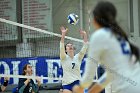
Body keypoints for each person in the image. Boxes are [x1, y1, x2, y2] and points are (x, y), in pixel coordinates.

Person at [74, 1, 140, 93]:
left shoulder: (99, 35)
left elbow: (89, 74)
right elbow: (111, 74)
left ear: (96, 19)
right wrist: (92, 91)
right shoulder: (121, 36)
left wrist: (81, 87)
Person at [60, 26, 88, 93]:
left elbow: (85, 46)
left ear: (73, 48)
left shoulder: (78, 57)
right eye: (68, 46)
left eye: (71, 45)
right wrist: (63, 34)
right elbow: (61, 45)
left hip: (77, 82)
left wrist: (85, 34)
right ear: (66, 50)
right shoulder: (64, 57)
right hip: (66, 84)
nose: (70, 46)